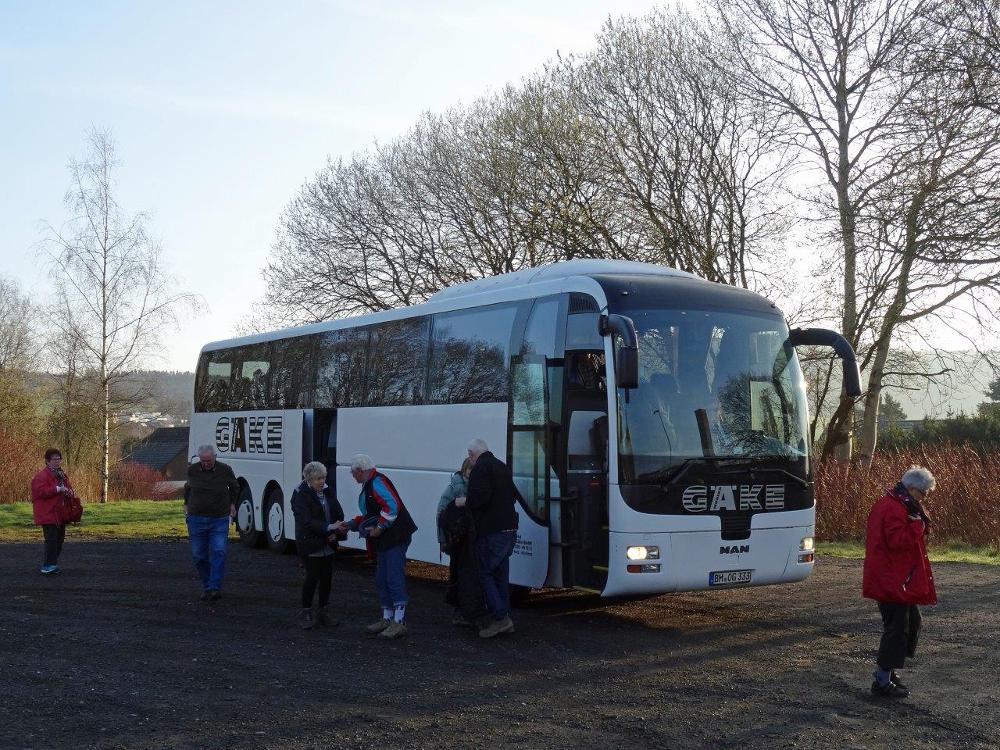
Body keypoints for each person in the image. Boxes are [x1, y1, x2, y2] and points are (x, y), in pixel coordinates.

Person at [862, 465, 937, 698]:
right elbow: (897, 541)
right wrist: (917, 526)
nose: (924, 498)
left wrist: (917, 524)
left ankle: (888, 672)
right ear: (912, 489)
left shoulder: (898, 503)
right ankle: (882, 680)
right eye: (924, 493)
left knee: (911, 622)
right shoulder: (893, 507)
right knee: (897, 629)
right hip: (890, 579)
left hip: (896, 578)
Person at [334, 454, 417, 640]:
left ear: (360, 470)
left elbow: (392, 506)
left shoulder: (376, 482)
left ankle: (399, 622)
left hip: (393, 537)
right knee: (383, 578)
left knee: (392, 577)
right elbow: (380, 511)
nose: (352, 476)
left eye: (353, 472)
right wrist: (353, 524)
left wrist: (380, 527)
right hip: (391, 537)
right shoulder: (373, 482)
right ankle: (389, 619)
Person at [458, 438, 519, 639]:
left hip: (491, 530)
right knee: (501, 575)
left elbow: (479, 499)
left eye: (469, 456)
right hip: (510, 529)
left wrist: (463, 502)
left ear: (472, 454)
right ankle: (504, 616)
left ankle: (501, 618)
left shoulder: (480, 469)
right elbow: (513, 496)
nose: (469, 459)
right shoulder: (502, 466)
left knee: (485, 573)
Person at [291, 461, 345, 630]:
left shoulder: (327, 491)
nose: (322, 481)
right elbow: (306, 521)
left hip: (328, 542)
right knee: (312, 577)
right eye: (317, 479)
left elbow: (337, 511)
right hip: (310, 543)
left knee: (327, 579)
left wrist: (336, 531)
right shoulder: (300, 494)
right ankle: (306, 612)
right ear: (309, 479)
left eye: (323, 478)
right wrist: (329, 529)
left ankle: (323, 612)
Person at [183, 445, 239, 601]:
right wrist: (186, 504)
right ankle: (207, 585)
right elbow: (188, 488)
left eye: (208, 460)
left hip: (219, 518)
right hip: (196, 518)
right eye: (203, 460)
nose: (206, 463)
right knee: (198, 555)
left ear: (215, 457)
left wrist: (232, 504)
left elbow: (235, 487)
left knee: (218, 551)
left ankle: (214, 587)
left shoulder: (225, 470)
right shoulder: (192, 470)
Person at [437, 456, 486, 627]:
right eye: (470, 470)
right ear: (465, 470)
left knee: (461, 576)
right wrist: (443, 540)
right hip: (460, 541)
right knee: (462, 576)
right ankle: (463, 612)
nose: (472, 473)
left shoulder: (461, 484)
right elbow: (442, 514)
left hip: (459, 540)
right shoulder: (461, 488)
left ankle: (463, 611)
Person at [30, 448, 76, 575]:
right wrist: (57, 489)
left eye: (58, 459)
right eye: (54, 459)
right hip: (47, 513)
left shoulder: (61, 475)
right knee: (51, 540)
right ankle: (48, 566)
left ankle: (51, 564)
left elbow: (68, 487)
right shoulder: (41, 476)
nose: (57, 461)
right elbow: (40, 492)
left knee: (59, 540)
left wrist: (69, 491)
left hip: (60, 513)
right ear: (47, 461)